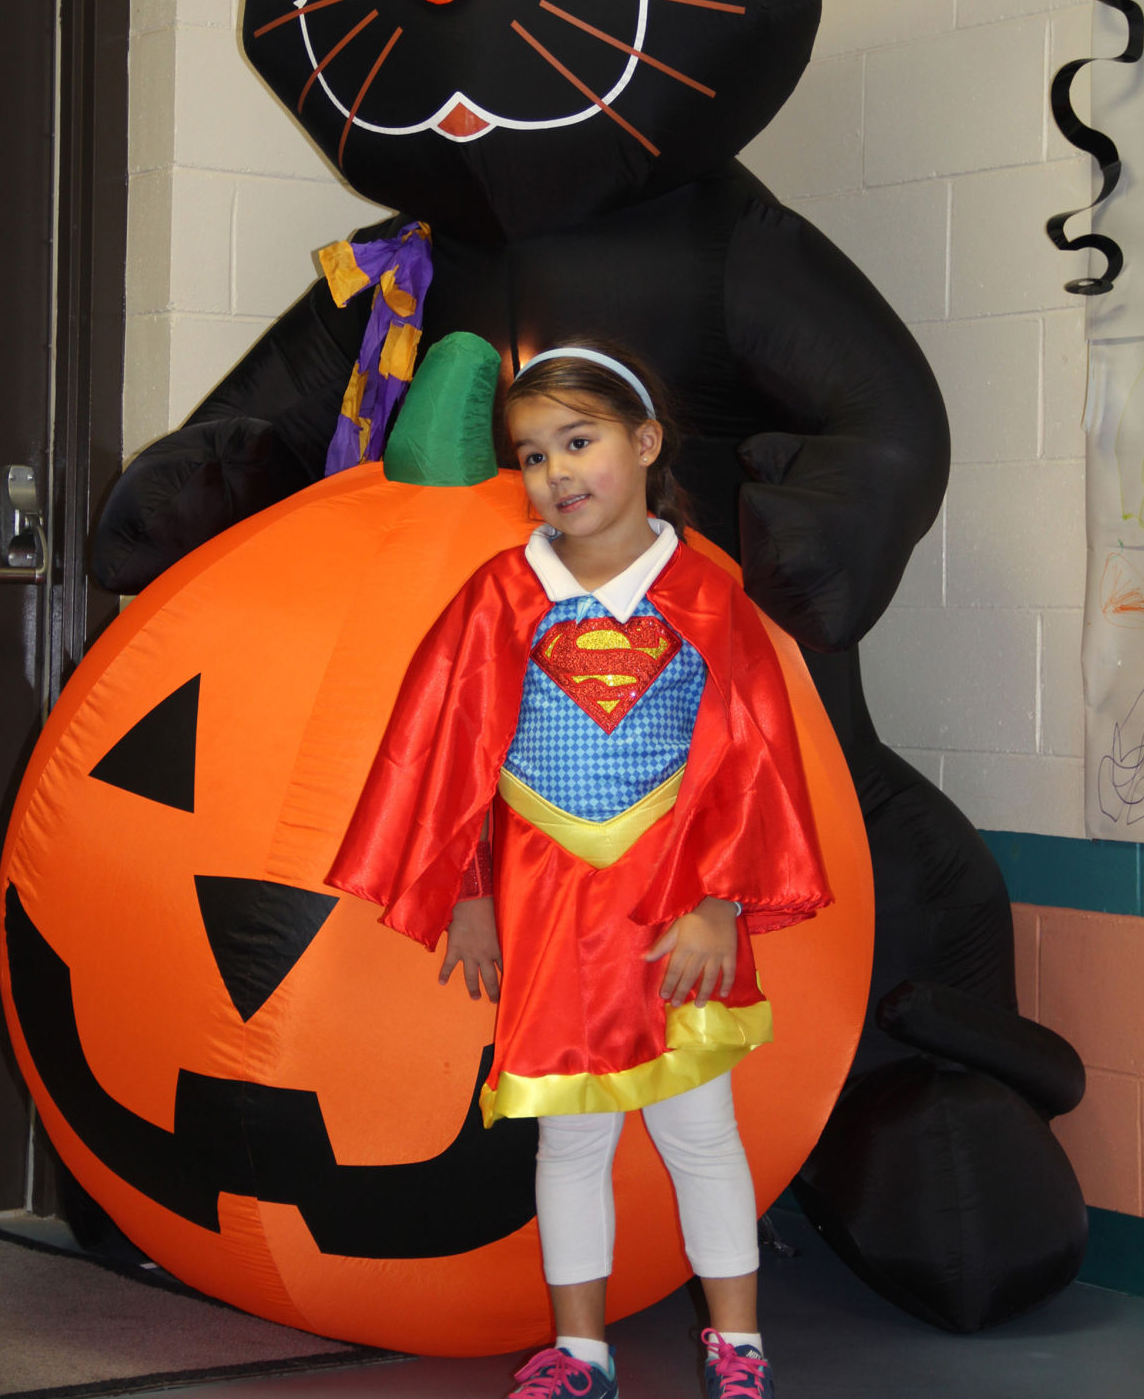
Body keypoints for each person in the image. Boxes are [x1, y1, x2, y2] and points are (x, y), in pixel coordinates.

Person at [327, 342, 833, 1399]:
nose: (557, 471)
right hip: (548, 899)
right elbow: (449, 746)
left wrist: (716, 904)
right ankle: (581, 1351)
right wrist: (465, 890)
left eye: (579, 440)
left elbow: (751, 757)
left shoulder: (705, 597)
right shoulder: (499, 596)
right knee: (569, 1135)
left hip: (670, 903)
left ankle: (735, 1345)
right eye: (531, 453)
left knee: (699, 1130)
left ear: (644, 443)